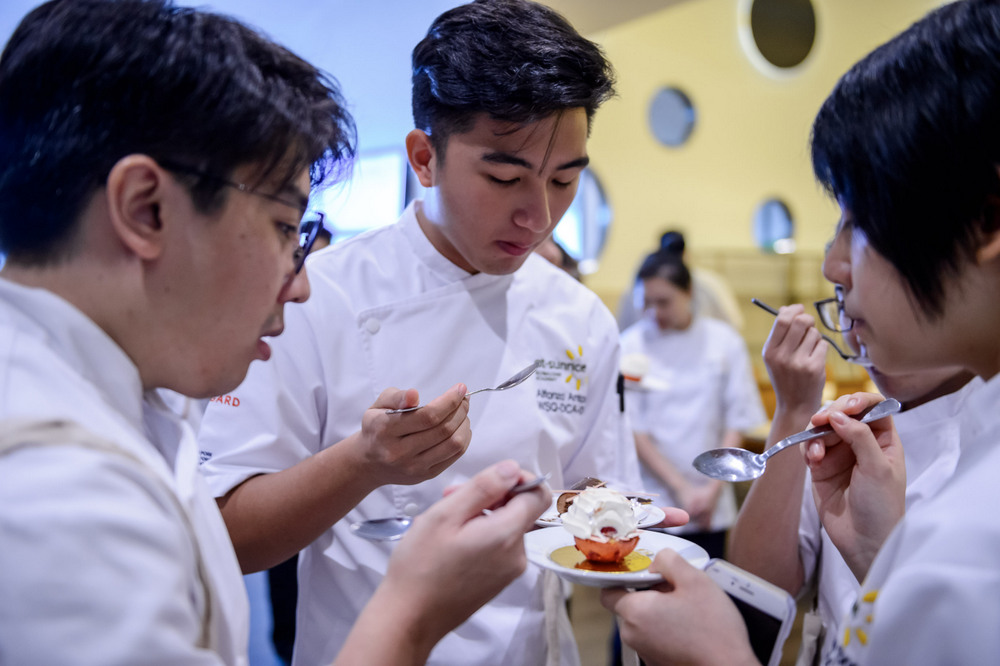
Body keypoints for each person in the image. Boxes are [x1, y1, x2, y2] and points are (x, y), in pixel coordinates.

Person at [0, 1, 552, 664]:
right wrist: (413, 610)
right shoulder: (54, 491)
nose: (302, 281)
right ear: (145, 209)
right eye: (286, 229)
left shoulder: (127, 388)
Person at [195, 1, 644, 665]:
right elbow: (224, 534)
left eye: (564, 180)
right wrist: (363, 464)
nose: (539, 215)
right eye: (505, 176)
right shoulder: (317, 296)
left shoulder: (580, 318)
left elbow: (597, 501)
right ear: (424, 157)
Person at [602, 0, 1000, 662]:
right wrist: (880, 558)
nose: (831, 265)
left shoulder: (974, 544)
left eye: (860, 221)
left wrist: (720, 657)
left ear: (986, 223)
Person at [727, 303, 978, 663]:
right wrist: (793, 410)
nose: (854, 331)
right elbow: (757, 584)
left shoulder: (982, 441)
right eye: (843, 300)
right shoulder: (842, 425)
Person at [620, 249, 766, 559]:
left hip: (711, 502)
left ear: (688, 293)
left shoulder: (723, 342)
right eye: (646, 303)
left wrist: (710, 490)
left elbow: (736, 419)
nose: (653, 313)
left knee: (707, 592)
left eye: (664, 302)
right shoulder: (630, 345)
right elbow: (632, 429)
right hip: (652, 499)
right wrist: (681, 489)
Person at [617, 230, 744, 332]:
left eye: (664, 302)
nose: (656, 312)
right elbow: (623, 327)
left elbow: (733, 324)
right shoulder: (638, 287)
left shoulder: (709, 284)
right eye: (649, 302)